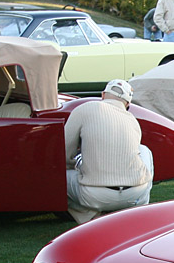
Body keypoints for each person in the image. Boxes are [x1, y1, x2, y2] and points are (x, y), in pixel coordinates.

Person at [64, 79, 153, 224]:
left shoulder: (84, 109)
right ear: (127, 104)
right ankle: (136, 211)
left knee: (62, 177)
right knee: (144, 150)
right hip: (137, 194)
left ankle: (90, 216)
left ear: (103, 95)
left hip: (94, 196)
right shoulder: (133, 120)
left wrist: (75, 165)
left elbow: (64, 151)